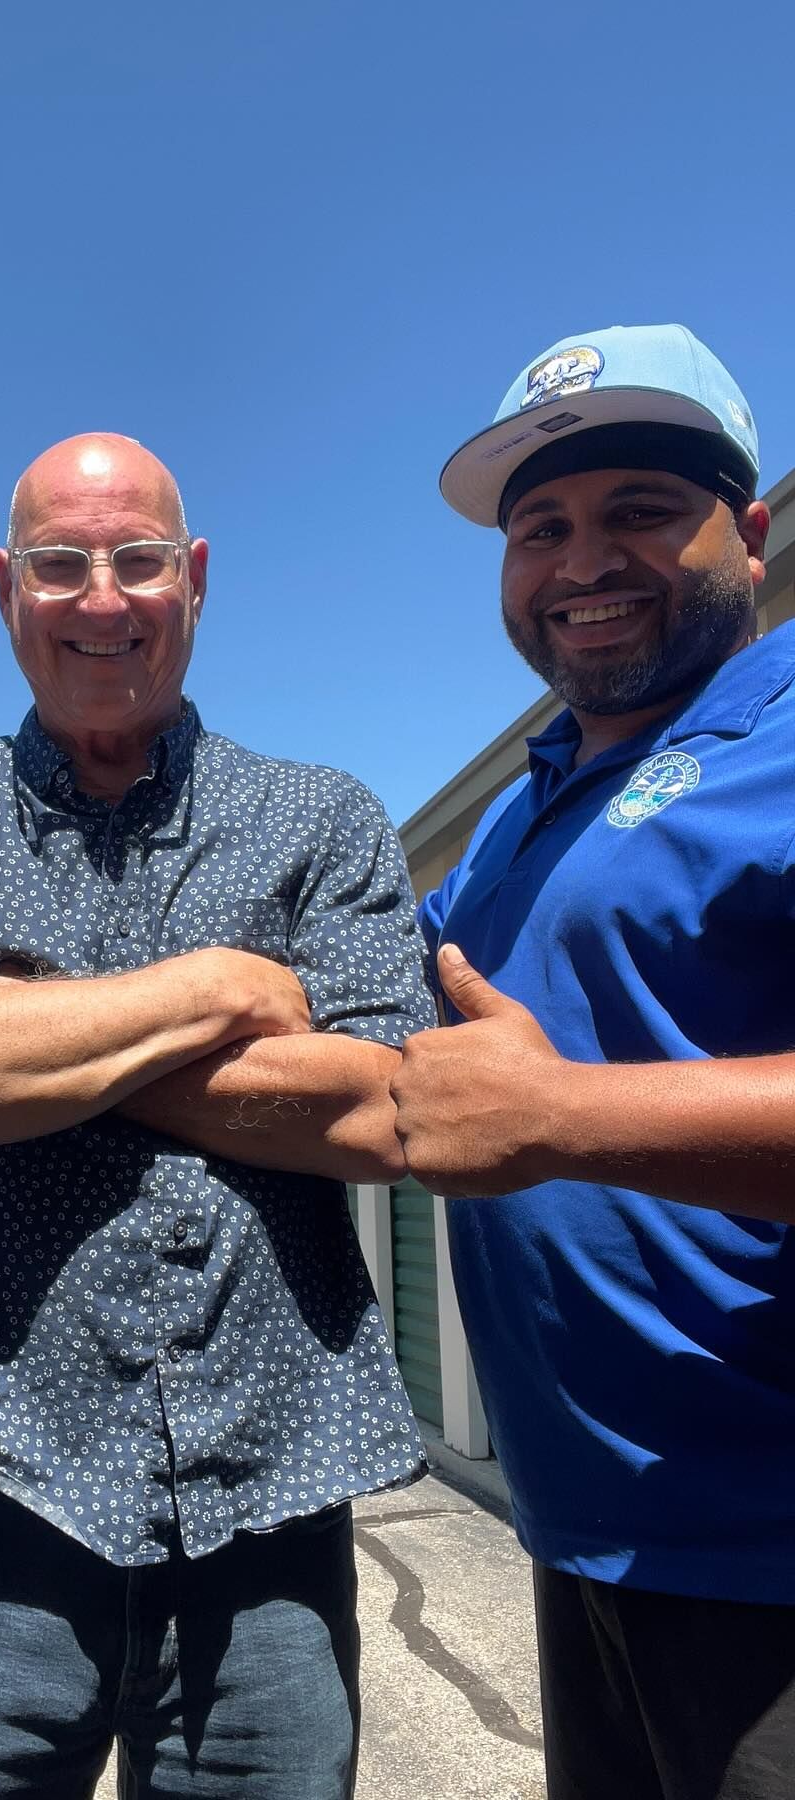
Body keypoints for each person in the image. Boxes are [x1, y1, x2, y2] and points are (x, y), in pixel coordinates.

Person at [0, 433, 433, 1799]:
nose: (102, 599)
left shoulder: (323, 821)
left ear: (194, 577)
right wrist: (224, 989)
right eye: (60, 564)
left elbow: (383, 1109)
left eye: (138, 559)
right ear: (6, 588)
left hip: (268, 1497)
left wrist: (23, 1032)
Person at [392, 325, 795, 1799]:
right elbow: (381, 1047)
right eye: (541, 528)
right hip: (589, 1538)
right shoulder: (520, 810)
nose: (582, 562)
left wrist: (564, 1115)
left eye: (639, 509)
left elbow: (526, 1112)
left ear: (747, 534)